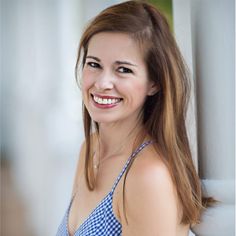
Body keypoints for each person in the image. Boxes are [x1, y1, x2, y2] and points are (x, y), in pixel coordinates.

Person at [56, 1, 212, 235]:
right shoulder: (91, 148)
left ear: (154, 83)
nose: (102, 83)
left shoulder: (148, 177)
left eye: (123, 69)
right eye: (94, 64)